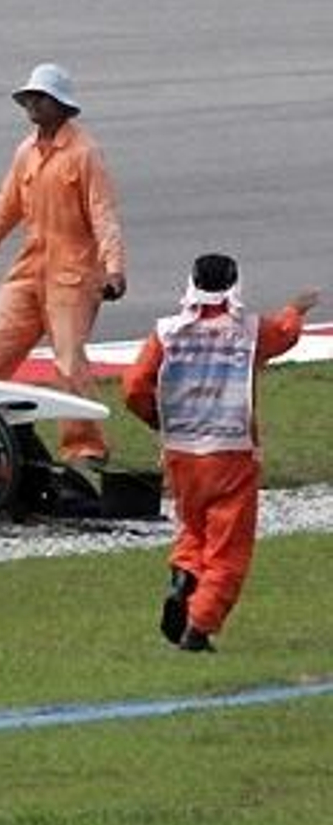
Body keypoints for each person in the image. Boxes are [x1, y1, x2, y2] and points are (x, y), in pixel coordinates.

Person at [122, 254, 318, 653]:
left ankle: (183, 577)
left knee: (193, 529)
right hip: (231, 455)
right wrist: (295, 309)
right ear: (234, 285)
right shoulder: (248, 329)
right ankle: (199, 628)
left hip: (182, 453)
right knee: (228, 548)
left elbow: (133, 387)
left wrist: (158, 420)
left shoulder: (167, 331)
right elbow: (284, 335)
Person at [0, 63, 126, 466]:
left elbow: (103, 213)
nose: (31, 104)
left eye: (40, 98)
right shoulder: (25, 151)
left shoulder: (84, 153)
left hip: (74, 273)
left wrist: (113, 268)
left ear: (61, 106)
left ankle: (85, 447)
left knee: (68, 362)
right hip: (29, 269)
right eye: (28, 97)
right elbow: (6, 205)